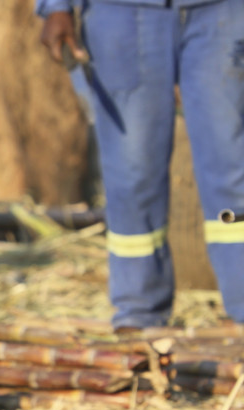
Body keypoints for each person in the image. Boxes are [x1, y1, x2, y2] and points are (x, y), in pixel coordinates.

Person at [36, 0, 244, 331]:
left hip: (223, 13)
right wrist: (55, 6)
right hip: (121, 15)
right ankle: (138, 314)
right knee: (131, 170)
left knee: (235, 169)